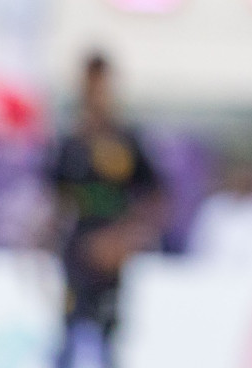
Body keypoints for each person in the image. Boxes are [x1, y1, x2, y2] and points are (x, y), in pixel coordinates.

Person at [48, 53, 162, 367]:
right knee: (69, 333)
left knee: (109, 339)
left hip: (113, 253)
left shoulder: (127, 141)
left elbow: (155, 194)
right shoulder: (71, 142)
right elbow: (56, 198)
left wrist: (126, 238)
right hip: (77, 251)